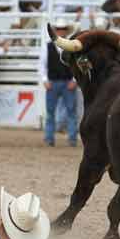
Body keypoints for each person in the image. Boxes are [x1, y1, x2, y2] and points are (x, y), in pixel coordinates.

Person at [39, 18, 78, 147]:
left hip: (67, 82)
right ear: (56, 30)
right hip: (53, 82)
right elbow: (42, 65)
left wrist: (74, 80)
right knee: (51, 113)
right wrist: (45, 80)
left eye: (63, 29)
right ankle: (49, 138)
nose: (61, 31)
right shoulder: (48, 46)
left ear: (66, 31)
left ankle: (71, 138)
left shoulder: (72, 46)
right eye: (59, 29)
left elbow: (77, 65)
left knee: (71, 112)